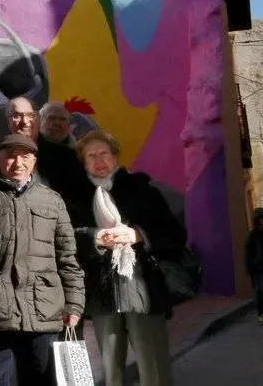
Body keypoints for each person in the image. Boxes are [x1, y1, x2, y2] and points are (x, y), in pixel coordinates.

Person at [0, 134, 85, 386]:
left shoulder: (52, 200)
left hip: (44, 311)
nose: (17, 162)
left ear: (34, 161)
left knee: (41, 380)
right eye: (10, 155)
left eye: (24, 156)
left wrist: (74, 304)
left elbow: (68, 257)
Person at [73, 130, 186, 386]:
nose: (99, 160)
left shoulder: (142, 190)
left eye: (104, 153)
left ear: (114, 157)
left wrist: (137, 234)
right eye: (91, 156)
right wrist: (95, 237)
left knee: (153, 366)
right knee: (111, 371)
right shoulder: (76, 197)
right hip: (101, 292)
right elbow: (67, 236)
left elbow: (174, 234)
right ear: (84, 162)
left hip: (142, 289)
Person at [0, 97, 87, 216]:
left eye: (30, 115)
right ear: (8, 121)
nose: (24, 121)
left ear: (38, 118)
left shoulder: (66, 157)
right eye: (17, 115)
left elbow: (80, 201)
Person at [247, 208, 263, 325]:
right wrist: (251, 269)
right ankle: (261, 314)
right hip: (259, 269)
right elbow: (248, 254)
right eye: (260, 219)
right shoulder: (253, 236)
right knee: (261, 291)